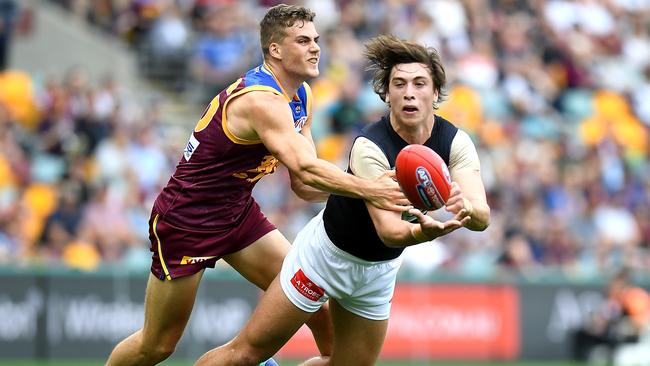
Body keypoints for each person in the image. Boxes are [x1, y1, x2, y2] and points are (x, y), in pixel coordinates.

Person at [105, 5, 408, 366]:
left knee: (318, 310)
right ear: (275, 50)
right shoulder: (261, 101)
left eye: (316, 39)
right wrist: (371, 188)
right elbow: (308, 169)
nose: (315, 48)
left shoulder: (302, 97)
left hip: (238, 213)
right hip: (188, 220)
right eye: (303, 40)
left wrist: (363, 197)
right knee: (156, 346)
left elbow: (304, 186)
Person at [195, 34, 491, 366]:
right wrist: (428, 232)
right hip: (324, 259)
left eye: (420, 83)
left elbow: (482, 215)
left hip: (378, 271)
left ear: (436, 93)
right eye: (399, 84)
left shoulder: (455, 142)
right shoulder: (370, 146)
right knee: (245, 354)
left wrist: (466, 208)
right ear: (386, 94)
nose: (409, 92)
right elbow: (390, 231)